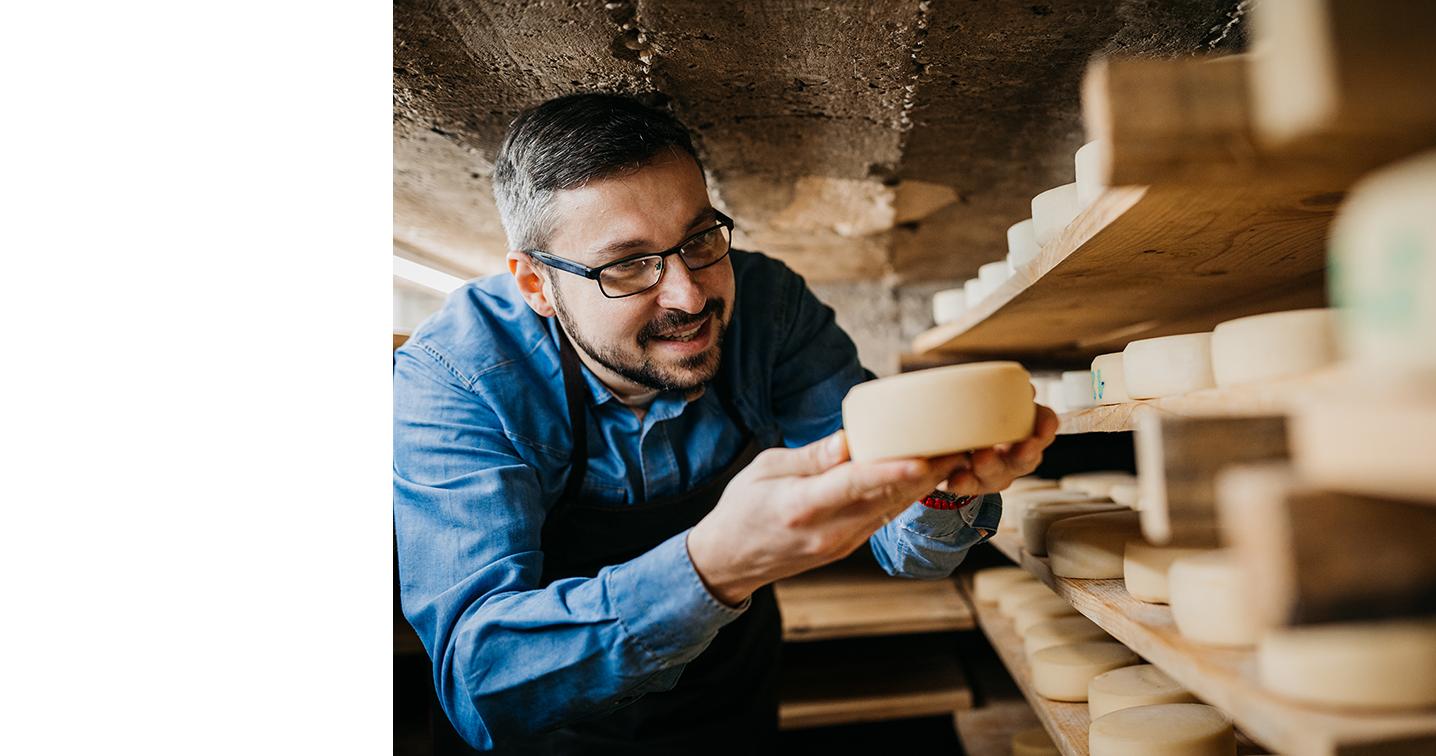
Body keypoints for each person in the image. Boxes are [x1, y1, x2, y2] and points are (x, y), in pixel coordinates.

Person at [393, 93, 1059, 753]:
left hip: (728, 702)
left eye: (700, 239)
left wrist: (943, 480)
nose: (689, 295)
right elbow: (478, 682)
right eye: (627, 265)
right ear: (536, 284)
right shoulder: (455, 375)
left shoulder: (769, 308)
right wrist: (713, 566)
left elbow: (906, 547)